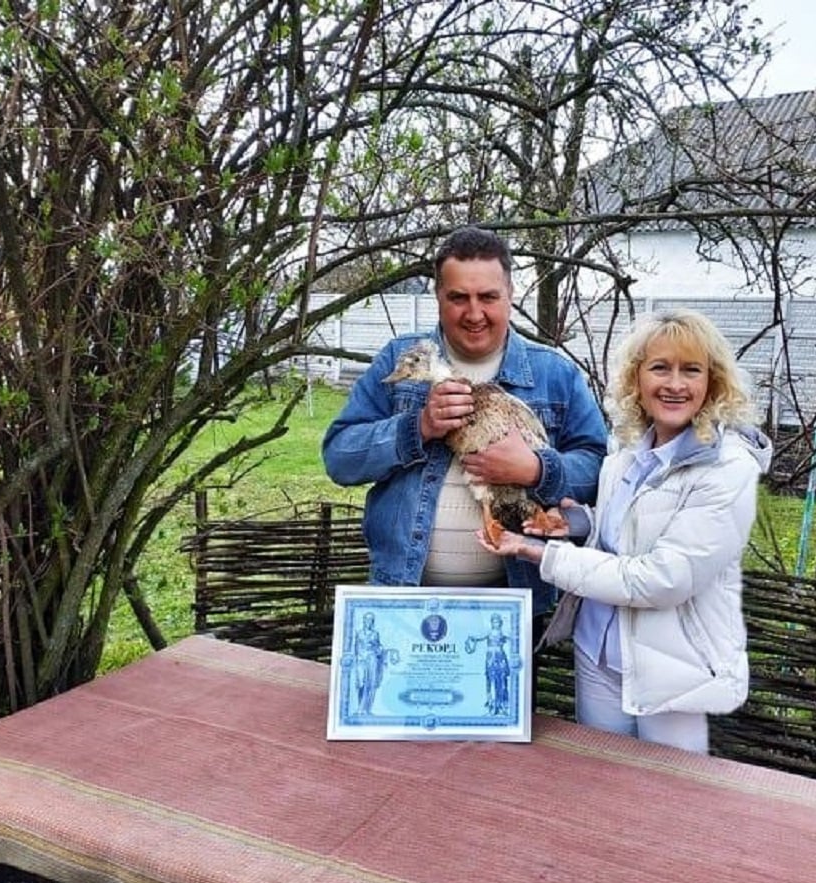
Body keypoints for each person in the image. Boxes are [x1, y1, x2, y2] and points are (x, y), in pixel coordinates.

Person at [476, 309, 772, 753]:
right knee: (598, 780)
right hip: (598, 649)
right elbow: (627, 532)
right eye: (660, 368)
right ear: (636, 377)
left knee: (666, 788)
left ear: (713, 382)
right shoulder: (627, 453)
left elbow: (663, 579)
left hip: (673, 667)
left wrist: (539, 553)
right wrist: (578, 522)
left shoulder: (727, 469)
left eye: (691, 370)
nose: (675, 384)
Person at [322, 226, 608, 617]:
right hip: (405, 598)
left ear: (510, 295)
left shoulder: (554, 373)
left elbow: (598, 470)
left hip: (513, 608)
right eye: (458, 298)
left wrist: (536, 469)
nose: (474, 314)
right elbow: (340, 458)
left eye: (488, 297)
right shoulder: (400, 362)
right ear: (438, 297)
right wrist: (417, 427)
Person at [464, 612, 511, 715]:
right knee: (491, 679)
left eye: (497, 622)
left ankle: (502, 704)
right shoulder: (488, 632)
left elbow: (514, 639)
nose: (495, 623)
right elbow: (479, 637)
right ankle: (492, 704)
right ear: (491, 622)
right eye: (494, 621)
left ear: (500, 623)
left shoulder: (503, 633)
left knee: (502, 680)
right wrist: (472, 637)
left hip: (500, 657)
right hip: (491, 658)